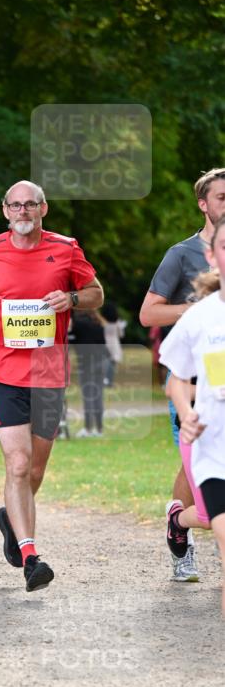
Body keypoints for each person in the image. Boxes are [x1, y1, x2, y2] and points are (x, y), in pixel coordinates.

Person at [0, 179, 103, 592]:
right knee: (19, 464)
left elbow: (95, 293)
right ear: (5, 210)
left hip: (48, 373)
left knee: (36, 470)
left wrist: (71, 300)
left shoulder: (66, 248)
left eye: (30, 205)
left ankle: (12, 519)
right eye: (15, 205)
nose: (22, 211)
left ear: (43, 209)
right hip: (2, 370)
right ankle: (30, 557)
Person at [140, 167, 225, 581]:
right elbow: (148, 313)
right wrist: (199, 312)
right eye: (222, 197)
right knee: (195, 477)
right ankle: (182, 533)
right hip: (196, 385)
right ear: (203, 204)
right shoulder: (182, 254)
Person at [159, 215, 225, 615]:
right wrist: (186, 413)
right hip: (213, 444)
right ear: (211, 255)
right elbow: (176, 381)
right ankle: (179, 521)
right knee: (210, 519)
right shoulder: (199, 317)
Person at [71, 309, 107, 438]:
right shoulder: (98, 323)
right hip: (101, 361)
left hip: (87, 363)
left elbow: (71, 340)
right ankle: (99, 429)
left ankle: (88, 428)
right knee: (98, 395)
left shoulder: (78, 323)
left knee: (88, 396)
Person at [102, 301, 126, 387]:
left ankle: (104, 380)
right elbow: (121, 335)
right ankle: (110, 381)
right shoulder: (117, 322)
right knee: (112, 364)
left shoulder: (102, 321)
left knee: (104, 362)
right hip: (114, 344)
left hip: (104, 343)